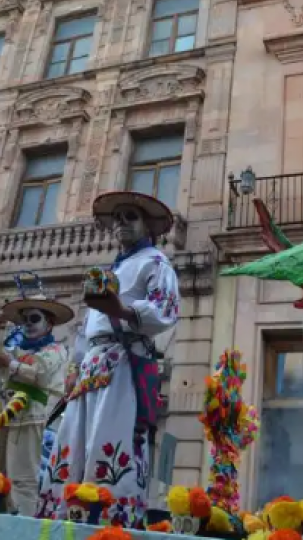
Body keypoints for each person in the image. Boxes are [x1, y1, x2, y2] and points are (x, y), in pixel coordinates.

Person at [37, 191, 180, 528]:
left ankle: (108, 520)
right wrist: (76, 365)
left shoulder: (156, 263)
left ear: (148, 226)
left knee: (112, 437)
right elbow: (89, 327)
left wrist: (122, 310)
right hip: (92, 367)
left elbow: (167, 310)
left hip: (124, 364)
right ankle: (65, 513)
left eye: (130, 217)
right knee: (75, 438)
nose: (121, 224)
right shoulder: (110, 270)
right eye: (118, 218)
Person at [0, 291, 73, 517]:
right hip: (1, 416)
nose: (28, 325)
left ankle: (22, 527)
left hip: (29, 418)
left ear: (49, 323)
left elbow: (39, 375)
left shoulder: (57, 351)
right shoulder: (16, 349)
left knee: (22, 477)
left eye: (34, 319)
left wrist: (11, 364)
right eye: (25, 320)